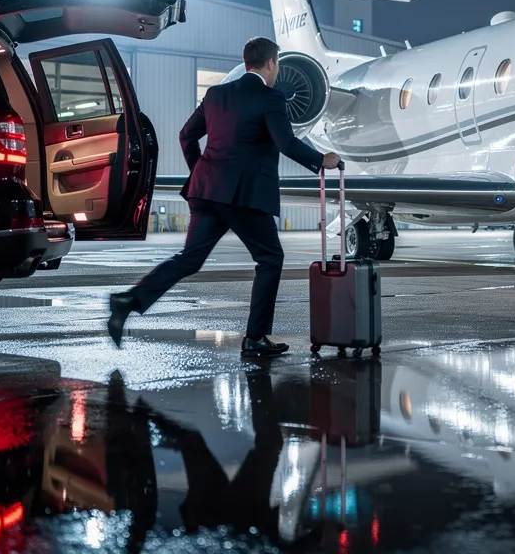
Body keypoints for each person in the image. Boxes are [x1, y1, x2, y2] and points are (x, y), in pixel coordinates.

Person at [107, 36, 340, 357]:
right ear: (272, 64)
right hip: (245, 196)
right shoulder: (271, 98)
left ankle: (130, 300)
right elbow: (286, 143)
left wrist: (200, 171)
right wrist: (322, 160)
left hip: (207, 192)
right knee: (270, 259)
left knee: (189, 260)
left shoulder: (216, 95)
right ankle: (255, 338)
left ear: (247, 63)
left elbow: (186, 135)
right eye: (276, 67)